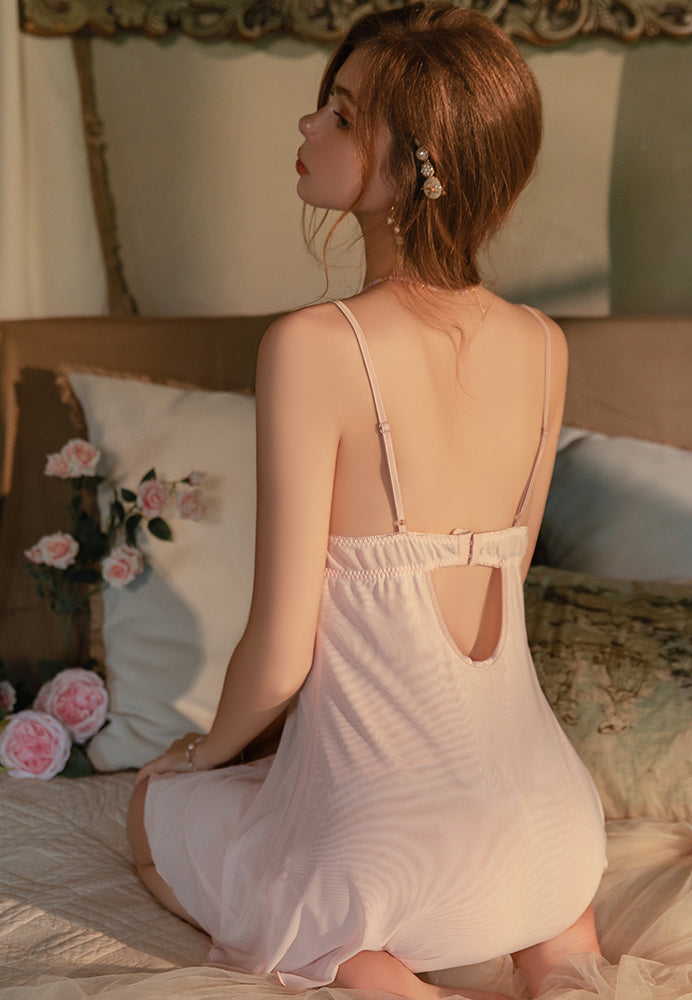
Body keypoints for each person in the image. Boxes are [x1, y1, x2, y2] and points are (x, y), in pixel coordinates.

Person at [127, 4, 607, 998]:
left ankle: (369, 966)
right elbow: (499, 594)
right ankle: (564, 960)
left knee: (162, 821)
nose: (308, 127)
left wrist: (192, 756)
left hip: (387, 846)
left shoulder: (315, 345)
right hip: (556, 833)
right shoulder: (545, 345)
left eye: (340, 115)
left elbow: (284, 648)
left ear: (416, 164)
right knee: (502, 875)